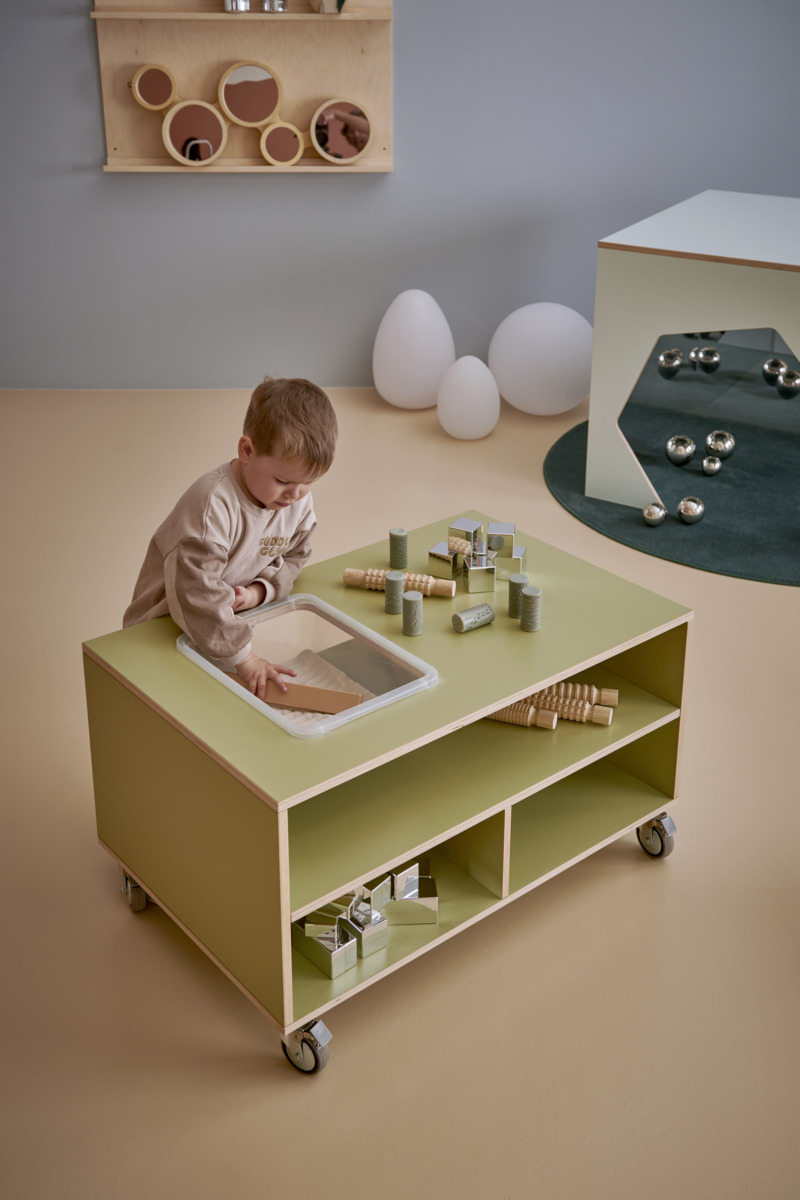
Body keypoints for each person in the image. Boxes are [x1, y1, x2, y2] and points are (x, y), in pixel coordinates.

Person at [123, 376, 338, 700]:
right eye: (282, 481)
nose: (295, 495)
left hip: (226, 626)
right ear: (247, 450)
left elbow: (295, 556)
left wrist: (260, 591)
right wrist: (245, 658)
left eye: (309, 482)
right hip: (163, 629)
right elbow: (195, 594)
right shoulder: (211, 507)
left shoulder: (295, 501)